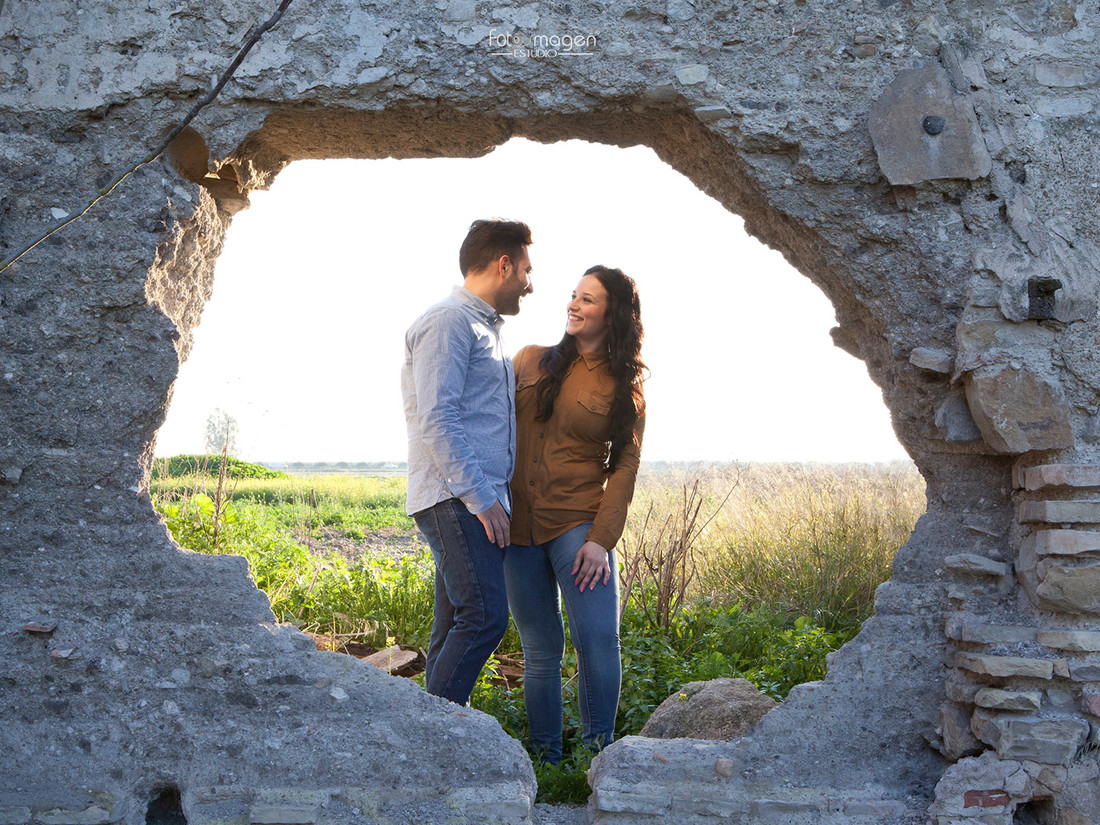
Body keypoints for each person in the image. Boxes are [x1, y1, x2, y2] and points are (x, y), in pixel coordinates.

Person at [505, 265, 646, 763]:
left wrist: (600, 541)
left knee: (599, 639)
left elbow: (625, 467)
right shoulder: (529, 360)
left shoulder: (625, 388)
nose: (574, 304)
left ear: (613, 313)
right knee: (540, 648)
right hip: (516, 527)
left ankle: (597, 756)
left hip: (577, 525)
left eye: (588, 299)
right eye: (573, 295)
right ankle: (546, 759)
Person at [401, 218, 534, 705]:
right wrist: (482, 499)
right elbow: (438, 418)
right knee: (483, 618)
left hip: (468, 499)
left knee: (455, 623)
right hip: (456, 498)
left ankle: (435, 724)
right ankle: (434, 736)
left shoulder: (485, 330)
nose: (530, 284)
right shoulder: (449, 322)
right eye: (526, 270)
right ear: (504, 265)